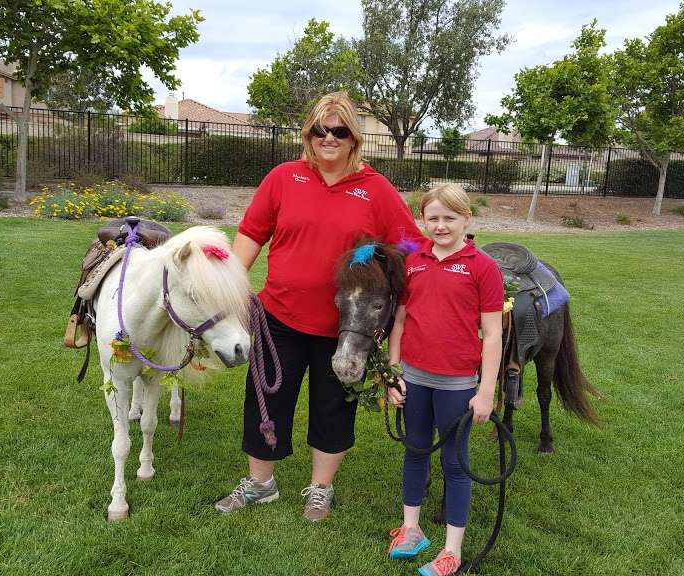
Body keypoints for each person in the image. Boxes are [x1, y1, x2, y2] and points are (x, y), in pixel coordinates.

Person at [215, 92, 422, 521]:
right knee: (266, 400)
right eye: (320, 130)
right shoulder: (284, 178)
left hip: (344, 329)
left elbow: (409, 247)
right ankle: (260, 484)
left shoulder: (375, 189)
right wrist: (227, 291)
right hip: (278, 316)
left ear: (353, 139)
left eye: (340, 131)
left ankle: (320, 489)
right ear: (308, 135)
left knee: (333, 407)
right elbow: (252, 234)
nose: (329, 138)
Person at [384, 183, 504, 575]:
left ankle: (452, 549)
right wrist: (393, 374)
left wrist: (486, 392)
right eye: (432, 218)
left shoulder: (481, 267)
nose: (440, 226)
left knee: (455, 463)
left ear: (466, 219)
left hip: (456, 385)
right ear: (422, 220)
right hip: (414, 379)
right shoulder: (412, 261)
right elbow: (399, 322)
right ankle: (412, 528)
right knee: (415, 451)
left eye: (449, 218)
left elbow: (493, 335)